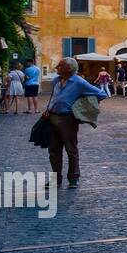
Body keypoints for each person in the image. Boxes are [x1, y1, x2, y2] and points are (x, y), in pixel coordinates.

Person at [41, 57, 107, 187]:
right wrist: (48, 109)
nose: (56, 68)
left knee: (71, 149)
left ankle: (73, 178)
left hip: (68, 119)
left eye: (60, 66)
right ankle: (56, 179)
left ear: (69, 69)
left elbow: (101, 94)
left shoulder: (79, 82)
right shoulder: (56, 81)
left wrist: (81, 106)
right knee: (53, 151)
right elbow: (54, 98)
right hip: (52, 117)